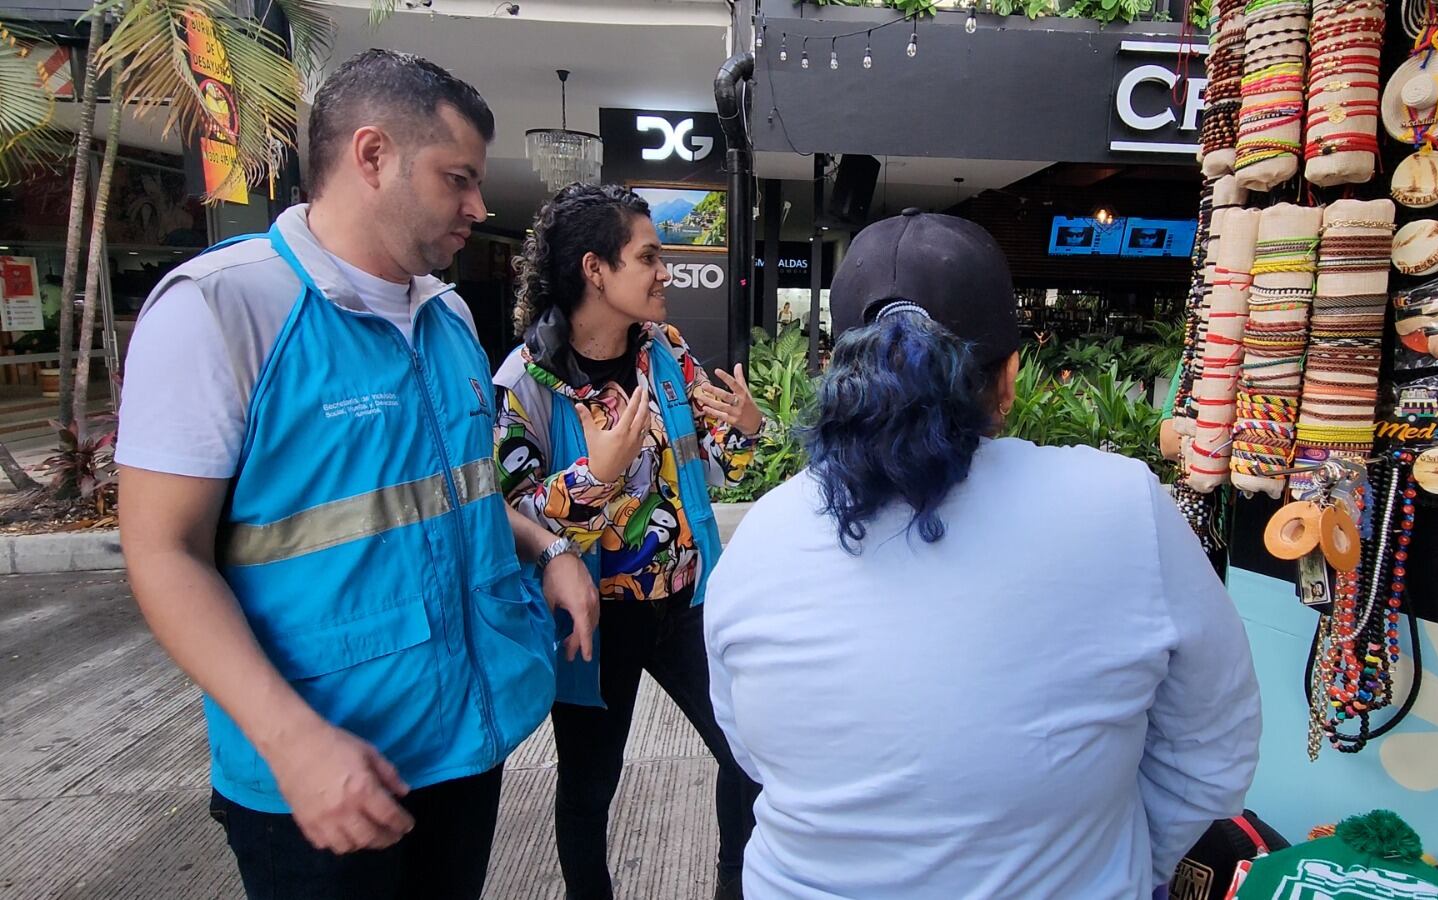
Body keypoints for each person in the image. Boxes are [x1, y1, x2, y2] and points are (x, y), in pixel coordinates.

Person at [116, 50, 597, 900]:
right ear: (371, 156)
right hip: (322, 777)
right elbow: (162, 554)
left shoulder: (446, 316)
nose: (479, 208)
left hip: (461, 746)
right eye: (458, 179)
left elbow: (459, 497)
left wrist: (548, 546)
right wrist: (292, 741)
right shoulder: (221, 311)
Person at [704, 210, 1263, 900]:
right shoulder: (1123, 506)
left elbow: (755, 751)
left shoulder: (761, 533)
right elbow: (1214, 746)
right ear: (1010, 379)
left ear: (842, 375)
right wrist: (1114, 865)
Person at [493, 183, 762, 900]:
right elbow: (513, 519)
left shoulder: (666, 351)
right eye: (649, 256)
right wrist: (593, 478)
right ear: (595, 269)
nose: (664, 272)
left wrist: (745, 428)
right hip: (592, 626)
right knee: (588, 790)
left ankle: (734, 886)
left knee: (747, 754)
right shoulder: (526, 383)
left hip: (685, 603)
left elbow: (722, 462)